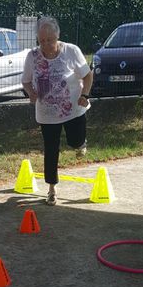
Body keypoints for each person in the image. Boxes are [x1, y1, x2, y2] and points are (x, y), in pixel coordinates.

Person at [22, 16, 93, 205]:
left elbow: (87, 76)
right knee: (51, 150)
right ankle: (52, 189)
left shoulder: (71, 51)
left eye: (50, 40)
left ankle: (80, 144)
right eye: (42, 41)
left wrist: (84, 95)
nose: (45, 45)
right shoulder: (32, 56)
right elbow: (26, 81)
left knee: (75, 140)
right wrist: (31, 93)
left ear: (58, 36)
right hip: (47, 113)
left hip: (74, 108)